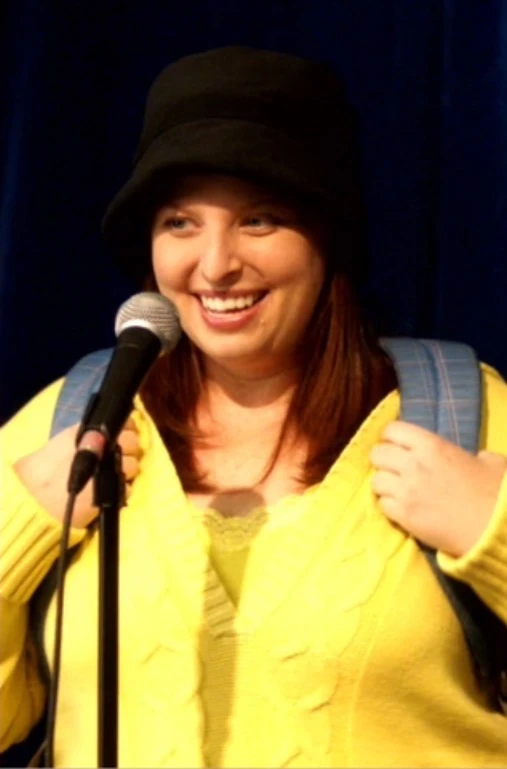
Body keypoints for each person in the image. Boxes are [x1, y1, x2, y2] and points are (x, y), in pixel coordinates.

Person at [1, 45, 506, 769]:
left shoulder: (462, 412)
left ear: (328, 237)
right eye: (180, 223)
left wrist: (496, 532)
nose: (215, 266)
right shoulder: (76, 421)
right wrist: (15, 525)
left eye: (260, 220)